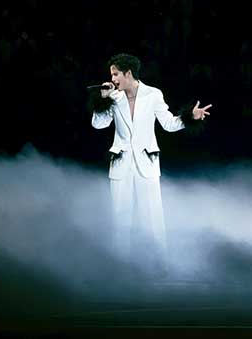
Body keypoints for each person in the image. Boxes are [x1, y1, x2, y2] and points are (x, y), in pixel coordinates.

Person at [90, 53, 211, 272]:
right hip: (121, 163)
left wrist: (190, 117)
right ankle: (120, 265)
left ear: (128, 73)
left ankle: (158, 263)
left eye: (116, 74)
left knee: (152, 217)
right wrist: (104, 99)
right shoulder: (114, 97)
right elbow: (99, 125)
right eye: (112, 75)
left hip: (147, 162)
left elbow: (169, 124)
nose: (113, 79)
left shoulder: (153, 94)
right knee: (120, 216)